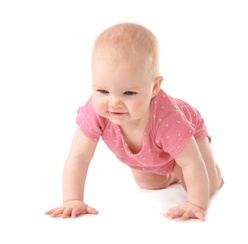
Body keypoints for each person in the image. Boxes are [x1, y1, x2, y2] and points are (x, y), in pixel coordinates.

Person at [45, 22, 224, 221]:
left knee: (207, 185)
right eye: (102, 91)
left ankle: (207, 171)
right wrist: (72, 200)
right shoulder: (96, 112)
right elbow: (79, 157)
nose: (114, 103)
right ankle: (174, 171)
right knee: (148, 182)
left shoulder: (169, 120)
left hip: (188, 133)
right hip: (152, 154)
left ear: (154, 87)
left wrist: (195, 204)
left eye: (129, 93)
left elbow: (192, 161)